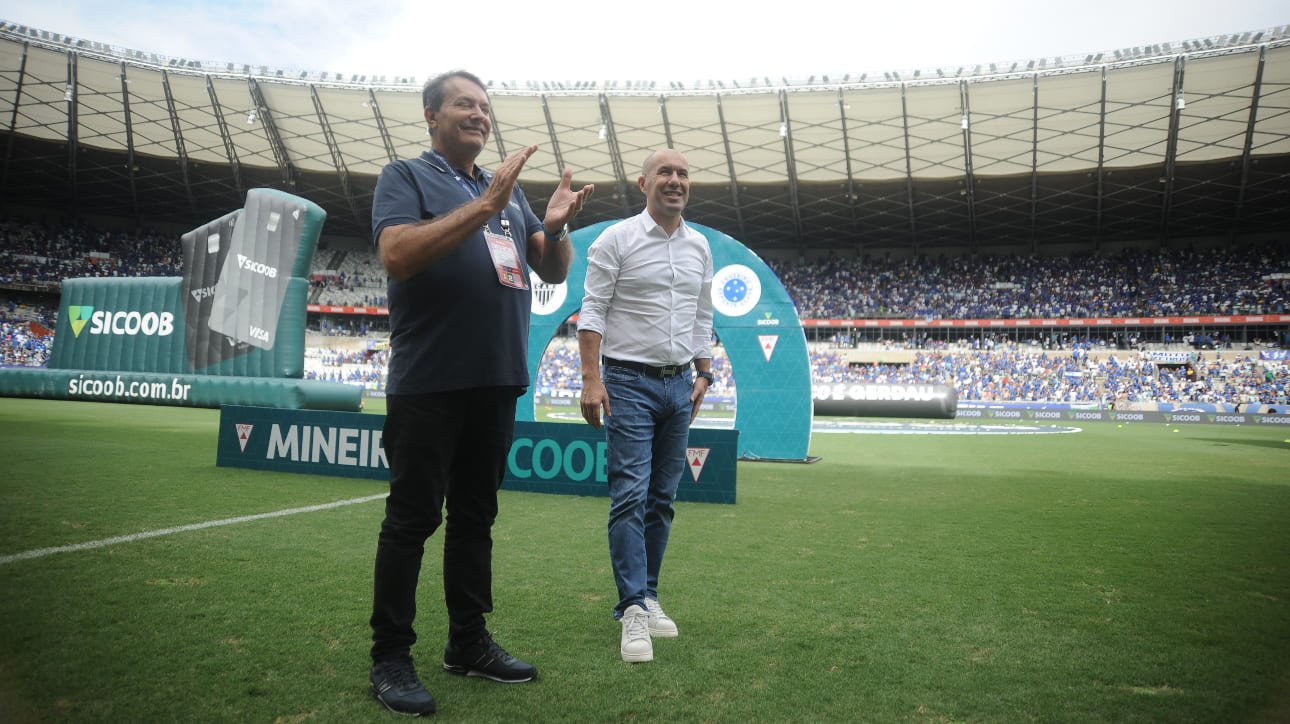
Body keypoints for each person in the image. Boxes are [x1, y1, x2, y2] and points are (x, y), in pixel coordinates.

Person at [367, 69, 593, 716]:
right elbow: (398, 256)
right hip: (430, 380)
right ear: (431, 116)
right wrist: (489, 205)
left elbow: (548, 269)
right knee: (412, 520)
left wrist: (556, 225)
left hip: (496, 379)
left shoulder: (508, 195)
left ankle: (467, 642)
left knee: (475, 519)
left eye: (485, 106)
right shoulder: (405, 177)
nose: (479, 114)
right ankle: (390, 657)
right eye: (464, 104)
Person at [576, 148, 715, 663]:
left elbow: (703, 316)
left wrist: (704, 373)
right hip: (628, 381)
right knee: (630, 495)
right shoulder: (617, 238)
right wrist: (592, 380)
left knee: (662, 499)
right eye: (666, 173)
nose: (675, 180)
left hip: (681, 386)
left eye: (683, 173)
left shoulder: (700, 245)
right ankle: (631, 608)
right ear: (643, 183)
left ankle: (650, 595)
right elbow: (591, 312)